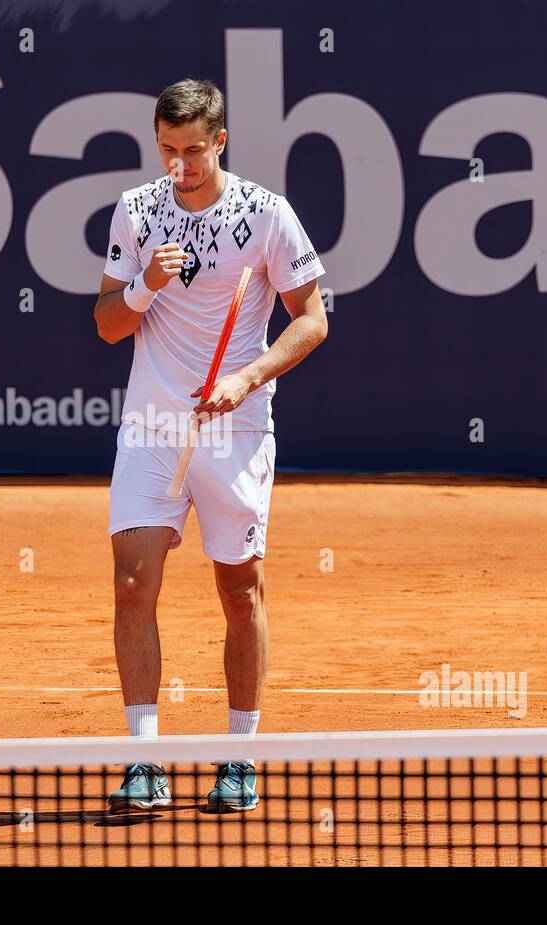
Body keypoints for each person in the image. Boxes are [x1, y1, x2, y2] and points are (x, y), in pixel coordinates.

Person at [93, 78, 327, 812]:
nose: (181, 165)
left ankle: (239, 755)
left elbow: (312, 319)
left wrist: (248, 377)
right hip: (153, 429)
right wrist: (141, 289)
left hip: (235, 427)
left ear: (219, 141)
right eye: (168, 150)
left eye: (194, 150)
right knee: (133, 585)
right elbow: (105, 324)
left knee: (239, 590)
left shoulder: (266, 215)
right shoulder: (135, 211)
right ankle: (143, 761)